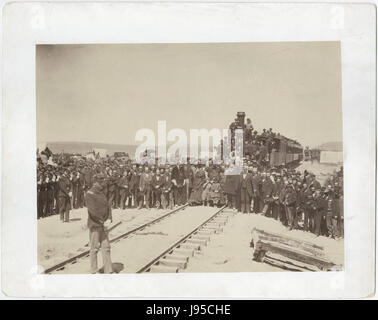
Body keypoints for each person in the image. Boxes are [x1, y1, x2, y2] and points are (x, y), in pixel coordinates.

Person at [85, 174, 113, 274]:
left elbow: (108, 206)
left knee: (106, 248)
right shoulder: (90, 193)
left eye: (103, 182)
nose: (102, 184)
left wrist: (109, 218)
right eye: (100, 182)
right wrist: (103, 222)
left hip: (104, 225)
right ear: (95, 182)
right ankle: (94, 270)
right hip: (95, 225)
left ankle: (108, 270)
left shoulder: (102, 192)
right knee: (94, 249)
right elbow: (93, 211)